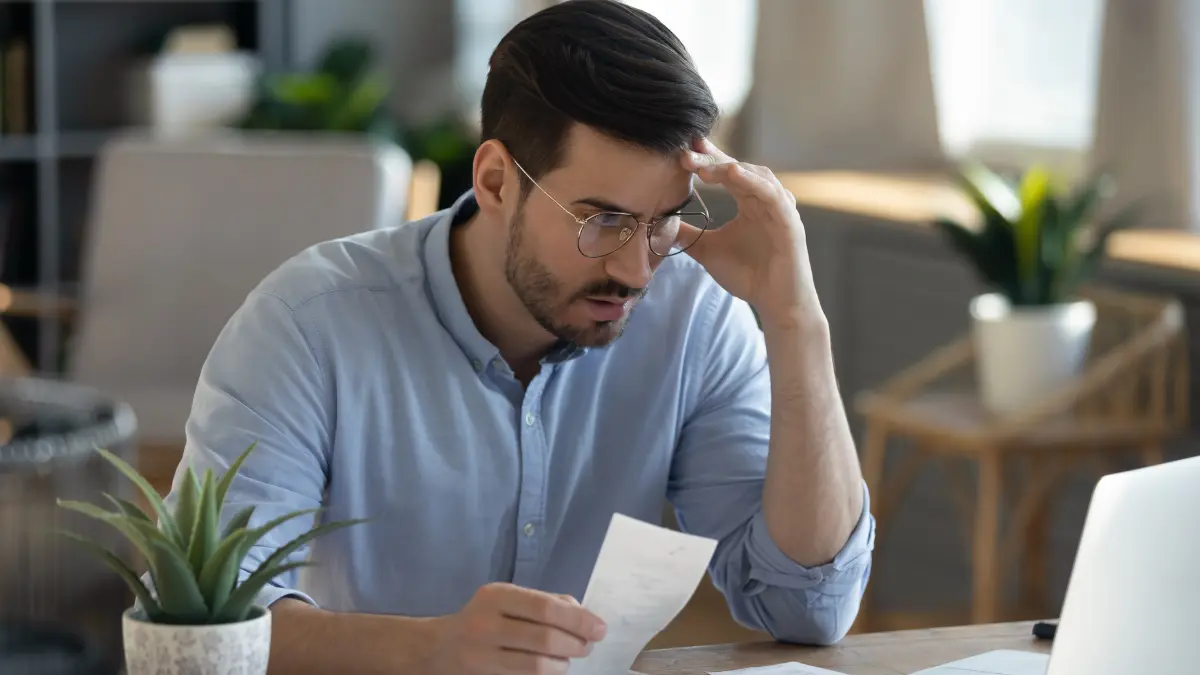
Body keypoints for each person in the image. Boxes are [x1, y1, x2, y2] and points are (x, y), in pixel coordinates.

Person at [165, 1, 874, 673]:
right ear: (498, 179)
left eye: (661, 220)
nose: (635, 268)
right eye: (602, 220)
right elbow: (199, 634)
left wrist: (796, 322)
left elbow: (809, 605)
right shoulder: (306, 323)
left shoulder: (697, 316)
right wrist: (432, 652)